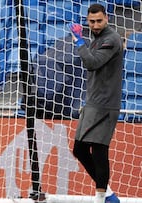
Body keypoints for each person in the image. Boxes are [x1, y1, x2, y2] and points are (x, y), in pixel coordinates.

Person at [68, 3, 123, 203]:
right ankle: (108, 194)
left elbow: (92, 63)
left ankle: (101, 198)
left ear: (106, 18)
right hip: (92, 103)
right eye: (92, 21)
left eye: (99, 20)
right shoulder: (96, 39)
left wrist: (79, 41)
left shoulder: (112, 39)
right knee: (79, 150)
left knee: (99, 150)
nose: (96, 25)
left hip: (105, 105)